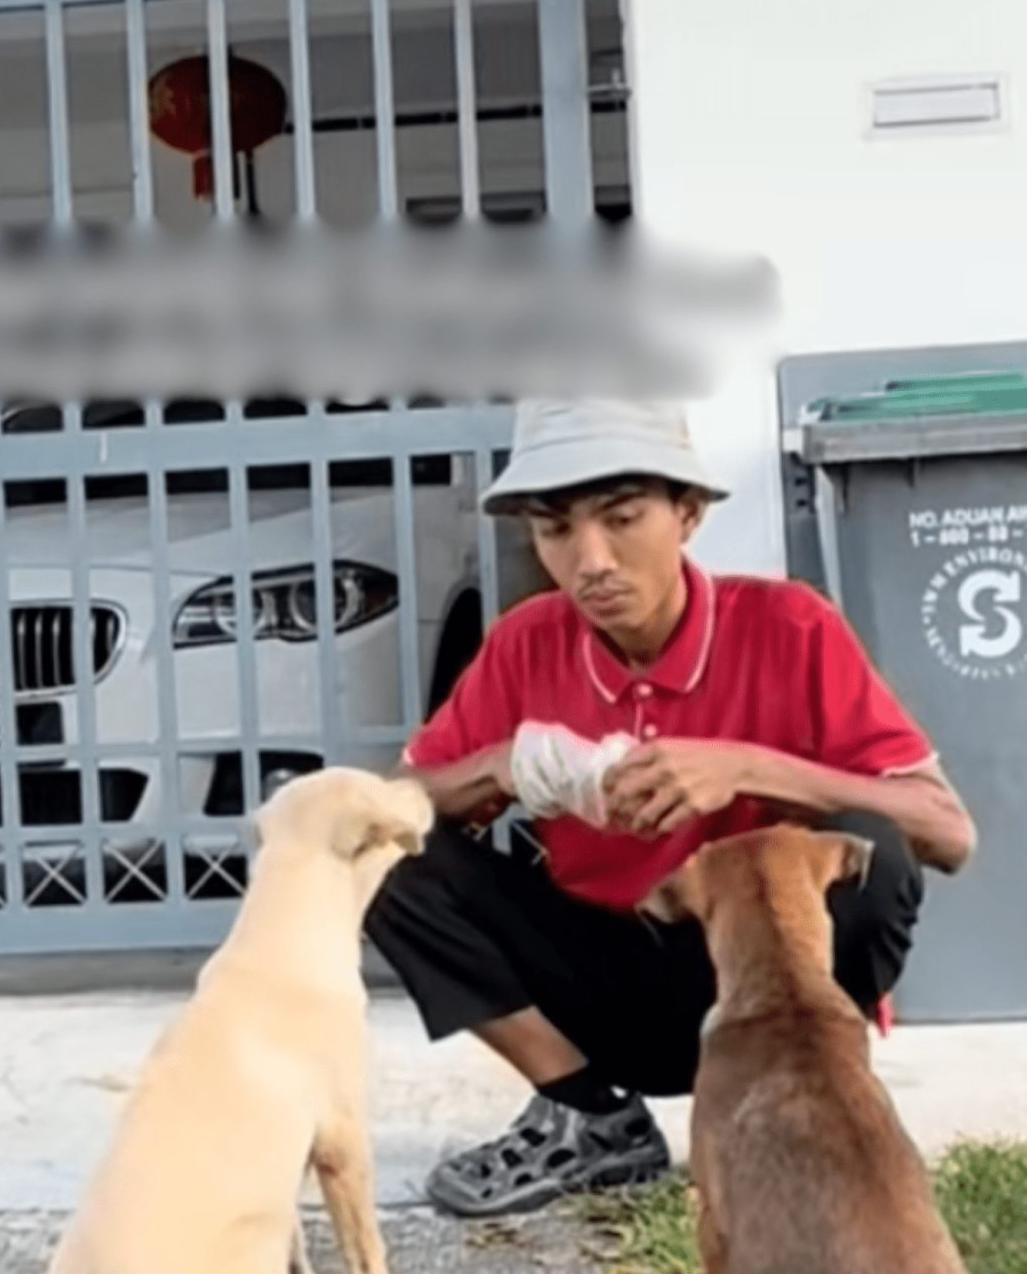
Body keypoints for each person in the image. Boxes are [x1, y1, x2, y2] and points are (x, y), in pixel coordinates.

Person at [367, 398, 975, 1219]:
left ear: (687, 515)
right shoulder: (526, 643)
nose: (591, 562)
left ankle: (808, 1106)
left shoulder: (789, 626)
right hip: (605, 982)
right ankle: (590, 1116)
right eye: (555, 531)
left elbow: (946, 833)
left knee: (874, 844)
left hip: (761, 977)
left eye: (622, 519)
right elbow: (389, 804)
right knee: (377, 850)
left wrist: (752, 769)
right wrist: (502, 767)